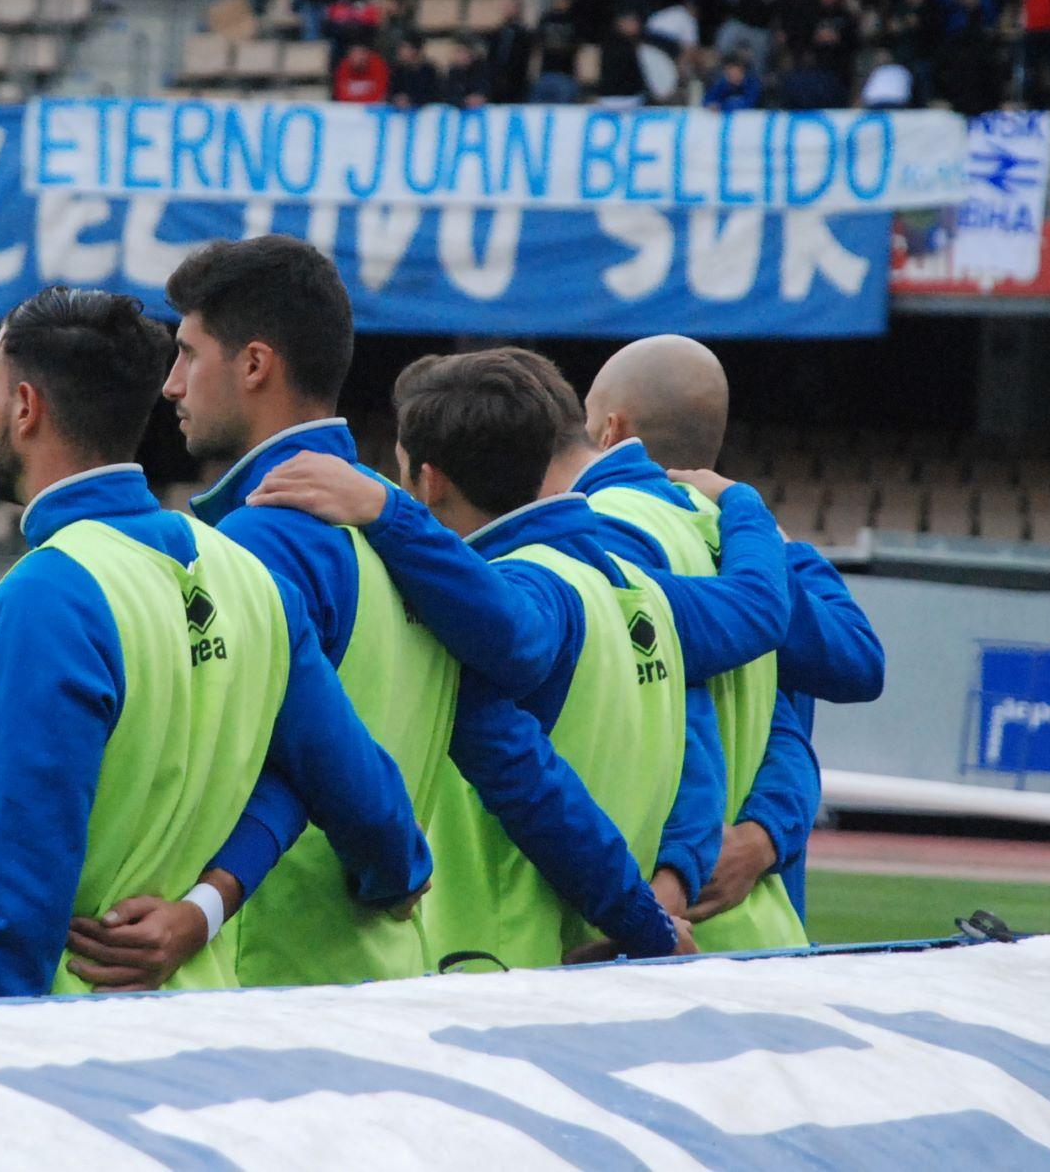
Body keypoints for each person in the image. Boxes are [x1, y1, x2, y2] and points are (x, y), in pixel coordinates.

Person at [67, 238, 687, 990]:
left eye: (188, 355)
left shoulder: (266, 538)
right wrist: (644, 926)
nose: (171, 385)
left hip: (267, 977)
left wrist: (206, 903)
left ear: (255, 365)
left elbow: (316, 762)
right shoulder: (394, 537)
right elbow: (519, 766)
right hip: (385, 970)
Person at [0, 289, 429, 999]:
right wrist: (208, 905)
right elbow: (375, 812)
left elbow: (16, 900)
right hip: (200, 1032)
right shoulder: (249, 578)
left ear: (24, 407)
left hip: (61, 1048)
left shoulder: (50, 592)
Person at [242, 351, 718, 969]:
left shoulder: (512, 597)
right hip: (604, 964)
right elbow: (699, 754)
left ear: (429, 481)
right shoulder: (642, 589)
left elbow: (531, 784)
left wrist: (391, 514)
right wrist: (655, 909)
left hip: (490, 963)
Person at [577, 336, 883, 940]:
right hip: (763, 930)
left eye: (587, 426)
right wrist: (766, 835)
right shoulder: (756, 549)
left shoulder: (602, 533)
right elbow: (816, 694)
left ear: (611, 430)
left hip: (650, 930)